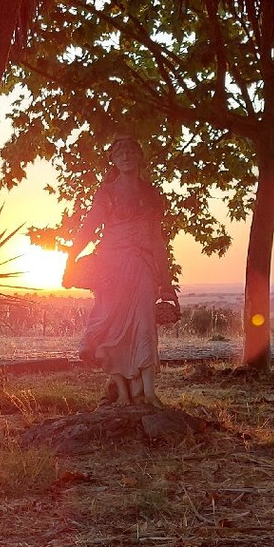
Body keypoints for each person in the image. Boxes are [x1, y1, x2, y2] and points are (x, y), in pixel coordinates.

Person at [63, 136, 178, 407]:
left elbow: (156, 240)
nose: (125, 156)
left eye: (130, 151)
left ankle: (148, 392)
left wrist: (166, 281)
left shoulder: (151, 194)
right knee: (112, 326)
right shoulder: (107, 193)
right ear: (113, 160)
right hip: (111, 267)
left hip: (141, 265)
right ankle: (123, 394)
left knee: (144, 324)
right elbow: (88, 228)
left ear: (139, 156)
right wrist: (70, 258)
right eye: (118, 152)